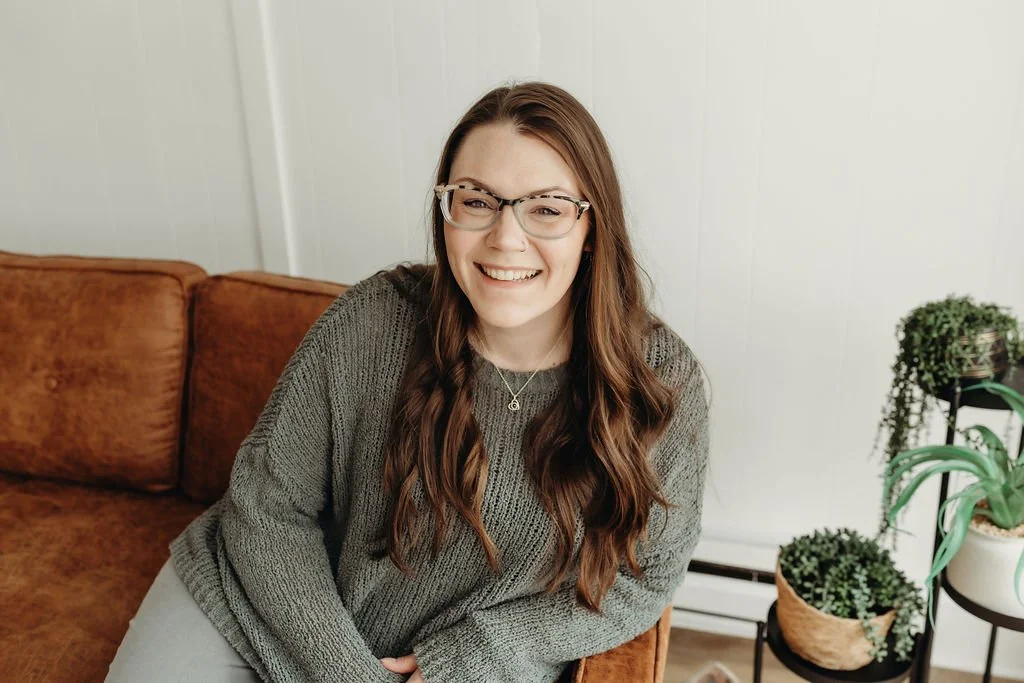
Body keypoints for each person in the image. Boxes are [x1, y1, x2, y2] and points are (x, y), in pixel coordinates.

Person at [105, 80, 711, 683]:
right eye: (476, 201)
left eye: (546, 209)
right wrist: (347, 673)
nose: (505, 238)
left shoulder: (660, 384)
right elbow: (266, 508)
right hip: (258, 610)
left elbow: (644, 579)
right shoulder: (373, 320)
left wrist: (482, 654)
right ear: (446, 212)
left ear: (591, 230)